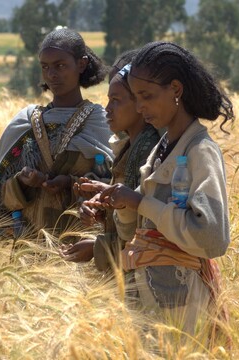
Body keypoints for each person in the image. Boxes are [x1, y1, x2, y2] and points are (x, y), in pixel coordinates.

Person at [80, 41, 234, 336]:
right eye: (136, 98)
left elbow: (212, 238)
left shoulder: (200, 151)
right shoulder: (160, 152)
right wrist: (122, 207)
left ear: (176, 90)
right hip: (150, 309)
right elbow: (135, 235)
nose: (140, 107)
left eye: (147, 96)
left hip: (183, 312)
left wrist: (140, 203)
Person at [0, 27, 113, 241]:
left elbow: (117, 186)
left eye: (60, 66)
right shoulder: (25, 122)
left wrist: (69, 183)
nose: (52, 74)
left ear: (81, 64)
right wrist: (22, 183)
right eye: (45, 67)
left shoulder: (100, 121)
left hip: (82, 249)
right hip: (30, 248)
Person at [59, 49, 160, 270]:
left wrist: (97, 248)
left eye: (116, 100)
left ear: (140, 103)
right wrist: (103, 202)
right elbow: (131, 206)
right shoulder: (130, 148)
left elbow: (147, 233)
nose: (107, 109)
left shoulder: (149, 154)